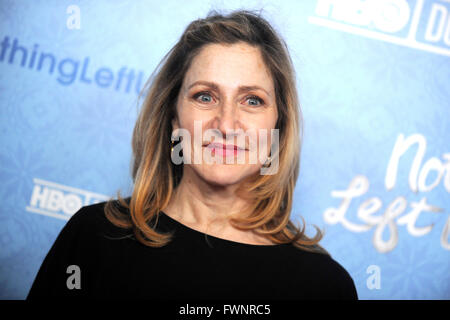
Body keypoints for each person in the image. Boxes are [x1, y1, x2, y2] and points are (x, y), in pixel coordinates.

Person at [27, 10, 358, 300]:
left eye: (252, 100)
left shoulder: (324, 285)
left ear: (278, 126)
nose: (226, 124)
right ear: (174, 120)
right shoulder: (93, 237)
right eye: (205, 96)